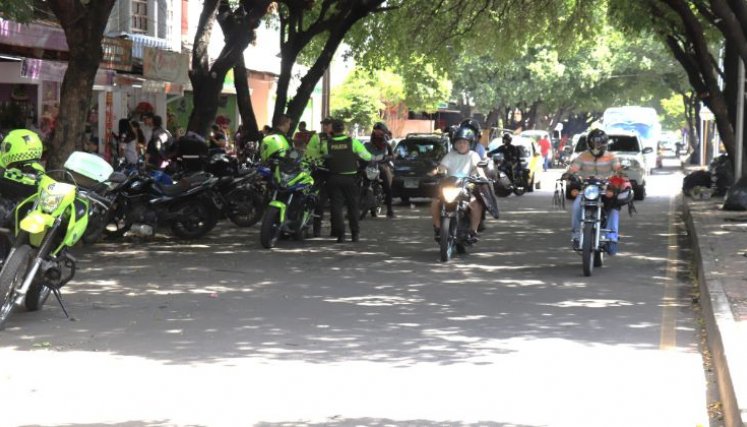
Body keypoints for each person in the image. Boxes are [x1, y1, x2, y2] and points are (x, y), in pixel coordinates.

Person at [565, 128, 623, 254]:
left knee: (613, 209)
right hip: (587, 189)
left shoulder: (611, 156)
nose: (597, 145)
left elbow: (618, 170)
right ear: (589, 143)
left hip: (605, 189)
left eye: (599, 142)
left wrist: (619, 180)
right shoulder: (583, 156)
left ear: (605, 143)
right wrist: (568, 174)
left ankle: (612, 239)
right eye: (594, 142)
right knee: (576, 206)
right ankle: (576, 236)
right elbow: (573, 169)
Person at [430, 126, 487, 243]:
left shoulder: (473, 155)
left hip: (466, 187)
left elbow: (479, 168)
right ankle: (437, 228)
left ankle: (473, 232)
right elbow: (441, 167)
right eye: (459, 142)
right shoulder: (450, 155)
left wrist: (483, 178)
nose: (461, 144)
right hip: (449, 186)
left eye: (464, 142)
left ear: (469, 143)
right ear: (455, 144)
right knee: (435, 202)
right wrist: (433, 173)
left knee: (476, 205)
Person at [325, 119, 372, 243]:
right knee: (353, 207)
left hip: (333, 178)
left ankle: (340, 235)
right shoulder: (353, 142)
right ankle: (354, 234)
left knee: (336, 207)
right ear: (343, 129)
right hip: (350, 179)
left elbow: (321, 157)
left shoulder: (327, 144)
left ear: (332, 130)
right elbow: (367, 156)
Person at [303, 117, 334, 237]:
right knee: (318, 202)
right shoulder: (317, 137)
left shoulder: (338, 138)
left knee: (336, 203)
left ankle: (336, 230)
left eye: (328, 124)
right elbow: (309, 154)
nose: (325, 126)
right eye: (324, 124)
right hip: (320, 172)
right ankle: (316, 230)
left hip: (334, 174)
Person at [367, 122, 395, 218]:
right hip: (369, 166)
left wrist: (387, 158)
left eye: (380, 131)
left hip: (381, 166)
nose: (378, 132)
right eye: (376, 130)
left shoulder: (386, 144)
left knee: (387, 187)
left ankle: (390, 210)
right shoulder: (369, 144)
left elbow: (391, 155)